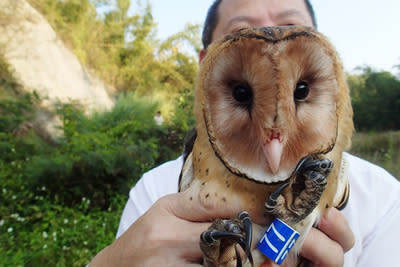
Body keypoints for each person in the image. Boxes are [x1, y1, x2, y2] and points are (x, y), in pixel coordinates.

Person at [90, 0, 400, 266]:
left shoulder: (382, 198)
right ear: (206, 70)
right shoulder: (159, 190)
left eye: (301, 91)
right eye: (241, 92)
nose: (274, 141)